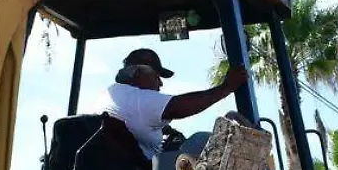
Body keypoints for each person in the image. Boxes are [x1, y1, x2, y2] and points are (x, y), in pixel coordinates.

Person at [98, 47, 248, 161]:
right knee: (201, 141)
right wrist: (226, 87)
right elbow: (178, 107)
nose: (161, 83)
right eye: (156, 76)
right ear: (137, 74)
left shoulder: (113, 95)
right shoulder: (135, 98)